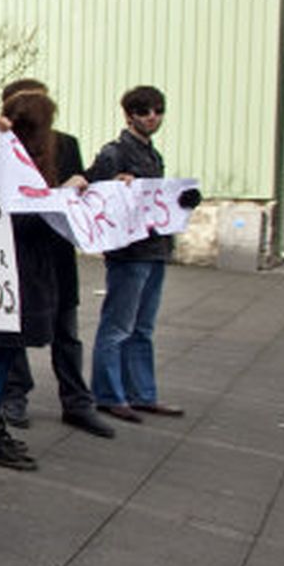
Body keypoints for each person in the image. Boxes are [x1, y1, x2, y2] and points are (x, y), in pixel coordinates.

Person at [0, 89, 88, 470]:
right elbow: (14, 215)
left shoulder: (8, 153)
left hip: (15, 269)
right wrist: (60, 196)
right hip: (5, 269)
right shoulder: (4, 157)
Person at [0, 79, 115, 438]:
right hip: (17, 249)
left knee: (66, 329)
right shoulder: (2, 144)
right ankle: (15, 394)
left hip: (56, 251)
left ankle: (77, 401)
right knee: (13, 330)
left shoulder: (65, 145)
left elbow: (78, 197)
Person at [87, 85, 188, 421]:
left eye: (158, 111)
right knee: (118, 326)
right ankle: (109, 394)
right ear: (129, 115)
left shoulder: (153, 154)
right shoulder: (114, 152)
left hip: (155, 247)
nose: (153, 117)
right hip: (129, 252)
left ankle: (142, 394)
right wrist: (115, 184)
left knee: (142, 327)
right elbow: (94, 192)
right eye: (144, 111)